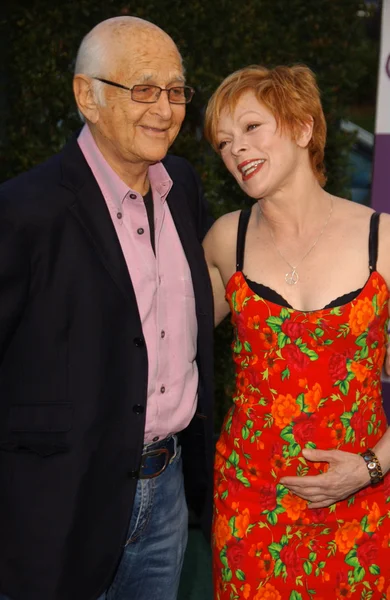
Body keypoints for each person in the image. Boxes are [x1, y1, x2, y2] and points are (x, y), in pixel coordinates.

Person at [0, 16, 214, 600]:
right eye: (143, 88)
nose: (165, 109)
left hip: (168, 494)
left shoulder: (183, 188)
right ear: (86, 96)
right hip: (59, 500)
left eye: (175, 91)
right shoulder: (23, 212)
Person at [202, 64, 390, 599]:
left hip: (361, 500)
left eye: (252, 128)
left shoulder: (384, 239)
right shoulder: (224, 240)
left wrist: (371, 466)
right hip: (249, 504)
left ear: (305, 128)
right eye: (223, 141)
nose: (236, 149)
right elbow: (160, 339)